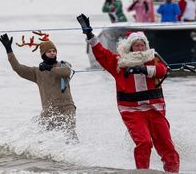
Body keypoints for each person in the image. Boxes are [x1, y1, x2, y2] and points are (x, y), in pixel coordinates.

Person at [76, 14, 180, 172]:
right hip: (132, 112)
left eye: (142, 45)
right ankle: (142, 171)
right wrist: (90, 35)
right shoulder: (119, 63)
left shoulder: (153, 59)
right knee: (144, 142)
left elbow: (161, 71)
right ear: (130, 47)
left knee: (167, 146)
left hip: (155, 111)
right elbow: (102, 54)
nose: (140, 48)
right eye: (136, 46)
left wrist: (142, 69)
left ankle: (173, 171)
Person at [0, 33, 78, 141]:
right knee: (43, 139)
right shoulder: (37, 72)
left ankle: (73, 155)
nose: (52, 53)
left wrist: (49, 68)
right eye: (49, 51)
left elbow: (65, 72)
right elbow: (18, 68)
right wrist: (9, 50)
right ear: (43, 54)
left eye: (54, 51)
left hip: (67, 108)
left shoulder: (63, 65)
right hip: (49, 111)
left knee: (70, 136)